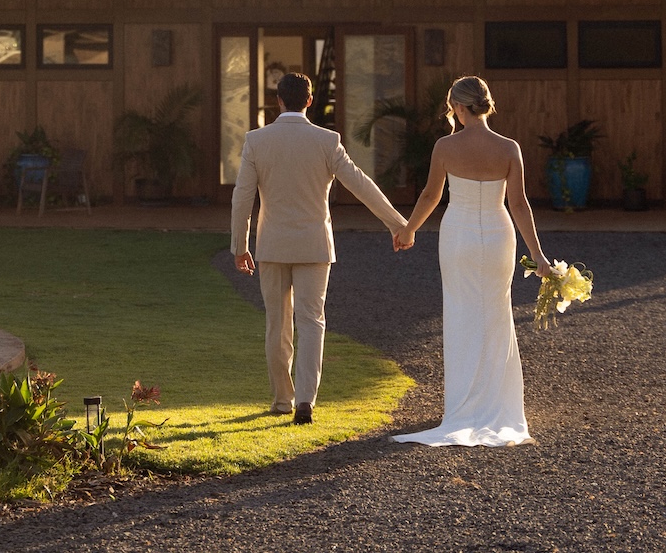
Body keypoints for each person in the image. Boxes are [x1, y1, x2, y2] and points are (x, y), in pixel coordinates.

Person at [231, 71, 408, 425]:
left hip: (272, 246)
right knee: (312, 321)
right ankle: (305, 401)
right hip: (314, 245)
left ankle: (283, 399)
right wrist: (398, 223)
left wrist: (239, 245)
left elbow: (242, 198)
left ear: (278, 100)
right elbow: (361, 184)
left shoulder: (256, 140)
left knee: (276, 323)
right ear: (310, 101)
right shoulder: (327, 141)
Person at [391, 75, 557, 447]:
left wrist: (408, 230)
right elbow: (519, 204)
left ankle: (464, 404)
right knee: (496, 314)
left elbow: (431, 195)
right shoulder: (509, 147)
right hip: (499, 237)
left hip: (459, 236)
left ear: (460, 108)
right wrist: (538, 254)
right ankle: (498, 403)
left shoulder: (446, 146)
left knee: (462, 313)